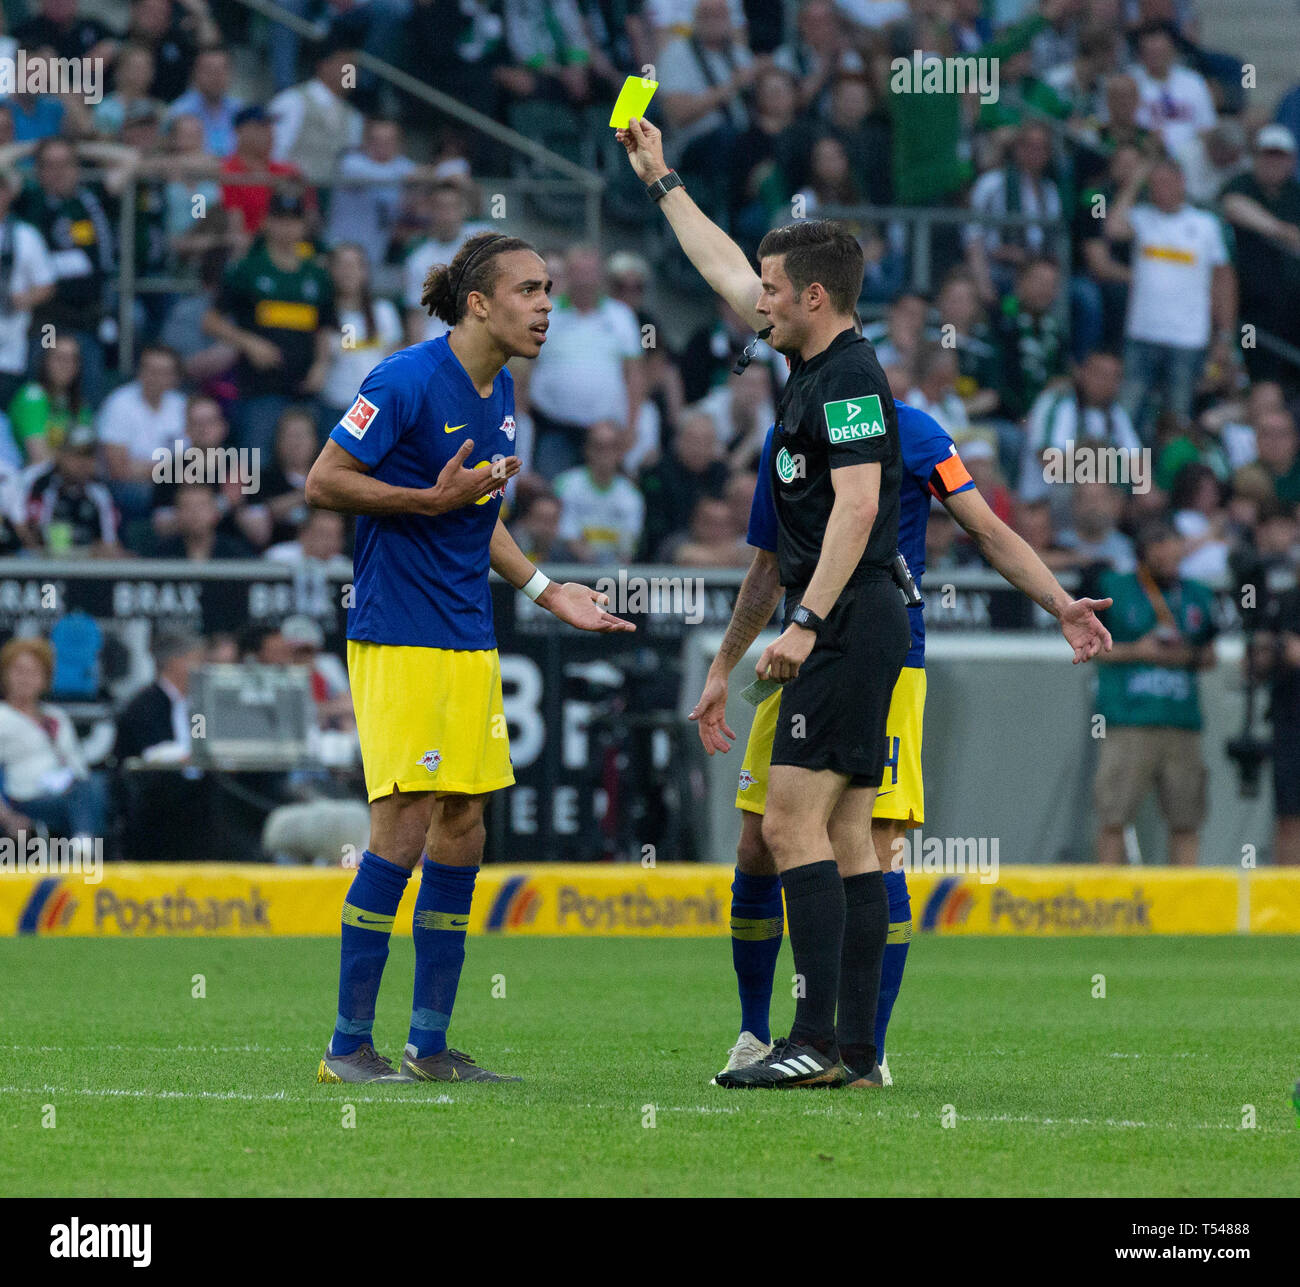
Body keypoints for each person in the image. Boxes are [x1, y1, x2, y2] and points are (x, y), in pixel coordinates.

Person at [619, 113, 1112, 1088]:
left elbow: (854, 511)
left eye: (769, 289)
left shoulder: (848, 388)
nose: (749, 299)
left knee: (797, 826)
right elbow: (723, 272)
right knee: (841, 834)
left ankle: (809, 1042)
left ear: (808, 297)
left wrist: (803, 625)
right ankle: (846, 1048)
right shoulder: (810, 362)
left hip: (849, 623)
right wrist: (661, 180)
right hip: (851, 622)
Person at [304, 228, 634, 1085]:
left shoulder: (502, 390)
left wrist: (546, 590)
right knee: (405, 824)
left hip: (467, 634)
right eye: (530, 291)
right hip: (400, 630)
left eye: (552, 290)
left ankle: (429, 1042)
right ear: (480, 302)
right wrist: (425, 496)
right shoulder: (404, 378)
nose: (547, 307)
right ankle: (347, 1045)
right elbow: (323, 480)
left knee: (463, 826)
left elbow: (477, 514)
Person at [1091, 521, 1216, 866]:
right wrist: (1139, 651)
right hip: (1129, 718)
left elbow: (1209, 656)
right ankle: (1107, 905)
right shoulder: (1114, 589)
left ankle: (1183, 910)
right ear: (1144, 555)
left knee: (1186, 820)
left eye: (1173, 546)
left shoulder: (1198, 594)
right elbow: (1094, 649)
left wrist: (1183, 656)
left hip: (1181, 721)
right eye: (1158, 547)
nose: (1167, 555)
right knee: (1113, 816)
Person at [0, 635, 107, 840]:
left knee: (96, 787)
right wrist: (7, 817)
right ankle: (84, 843)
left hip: (67, 789)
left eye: (33, 672)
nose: (25, 679)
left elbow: (77, 763)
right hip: (25, 796)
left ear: (45, 679)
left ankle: (84, 842)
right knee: (83, 799)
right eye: (19, 671)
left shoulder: (55, 716)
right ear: (5, 675)